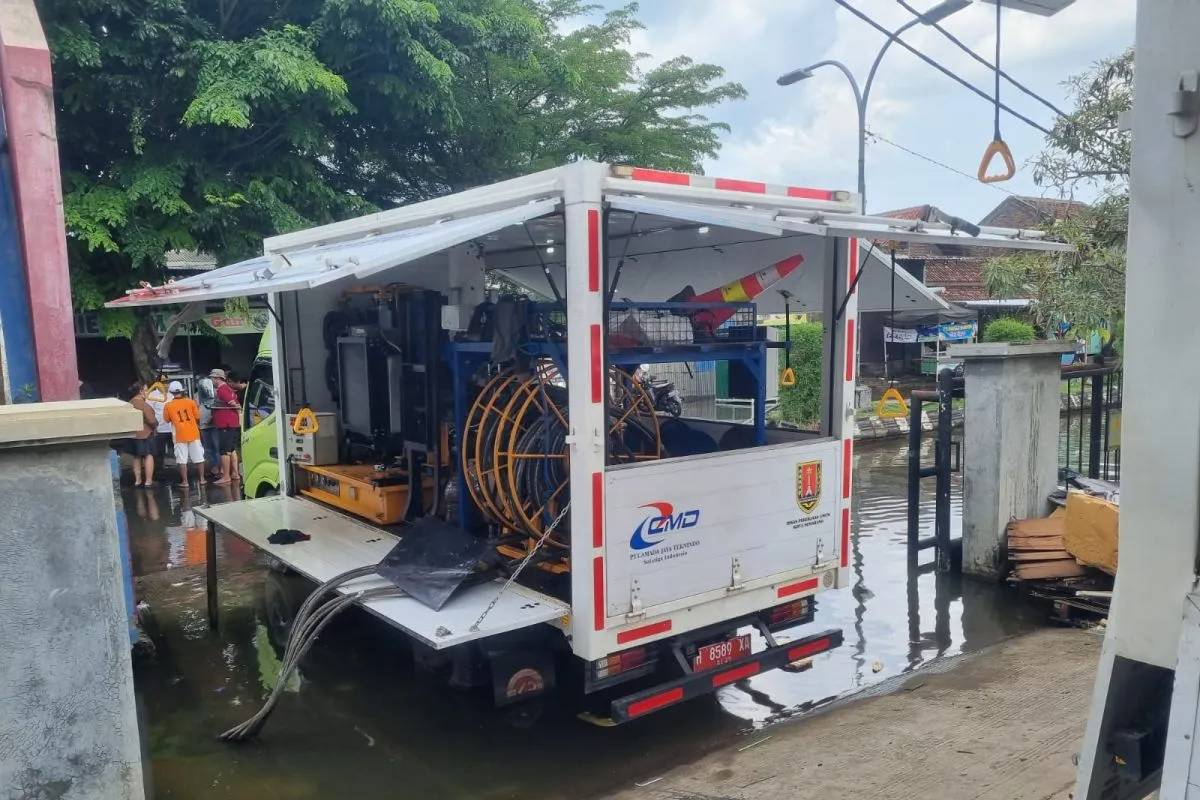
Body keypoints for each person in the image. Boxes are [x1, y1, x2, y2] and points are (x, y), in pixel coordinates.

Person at [162, 380, 206, 487]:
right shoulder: (190, 402)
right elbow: (197, 416)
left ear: (171, 393)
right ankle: (202, 479)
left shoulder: (168, 405)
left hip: (179, 435)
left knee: (182, 460)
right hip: (193, 433)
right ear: (182, 391)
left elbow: (167, 419)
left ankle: (185, 482)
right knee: (199, 457)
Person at [210, 368, 242, 485]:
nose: (212, 380)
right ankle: (235, 473)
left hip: (226, 424)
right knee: (232, 449)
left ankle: (226, 476)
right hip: (231, 423)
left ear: (217, 378)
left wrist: (238, 413)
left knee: (224, 451)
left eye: (212, 378)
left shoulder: (222, 389)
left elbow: (234, 404)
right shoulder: (228, 388)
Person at [125, 383, 158, 487]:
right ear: (140, 391)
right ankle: (148, 481)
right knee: (148, 455)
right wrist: (155, 425)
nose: (147, 392)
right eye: (146, 390)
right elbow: (151, 420)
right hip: (145, 434)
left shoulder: (129, 404)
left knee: (136, 457)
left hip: (133, 434)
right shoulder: (143, 405)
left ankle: (137, 481)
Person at [196, 376, 222, 481]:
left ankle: (219, 469)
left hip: (214, 424)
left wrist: (211, 418)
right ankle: (213, 468)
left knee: (217, 448)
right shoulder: (196, 396)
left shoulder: (215, 393)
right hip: (202, 425)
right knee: (207, 449)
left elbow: (218, 407)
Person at [145, 375, 173, 460]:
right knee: (159, 452)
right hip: (159, 429)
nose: (166, 385)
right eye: (163, 383)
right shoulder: (152, 396)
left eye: (167, 382)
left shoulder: (171, 395)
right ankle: (158, 471)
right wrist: (153, 427)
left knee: (176, 452)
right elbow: (149, 412)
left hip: (172, 428)